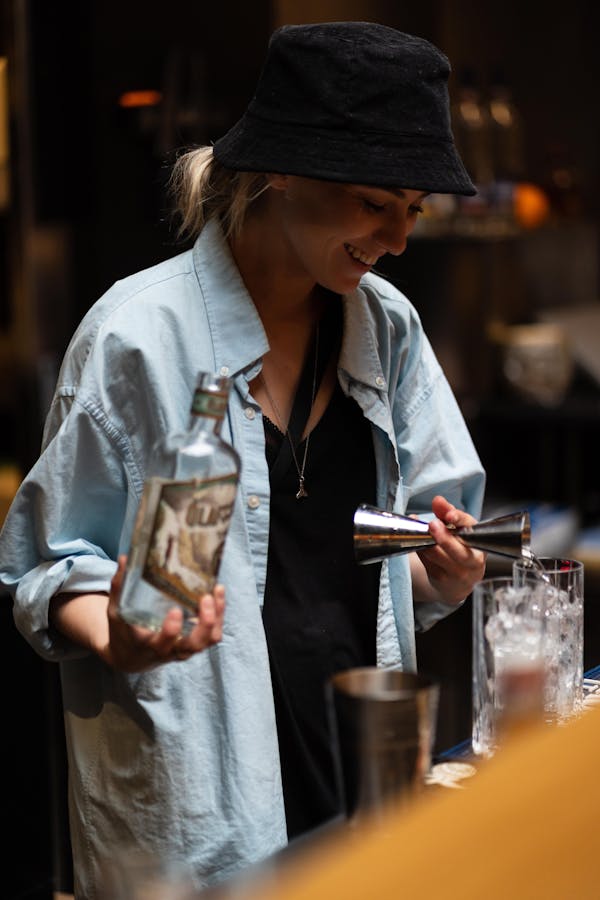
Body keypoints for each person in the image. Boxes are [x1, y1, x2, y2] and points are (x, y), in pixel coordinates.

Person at [0, 21, 486, 898]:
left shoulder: (387, 329)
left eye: (411, 210)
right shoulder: (137, 337)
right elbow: (48, 569)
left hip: (361, 790)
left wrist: (442, 573)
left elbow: (393, 566)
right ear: (281, 171)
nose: (398, 239)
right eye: (377, 203)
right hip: (203, 814)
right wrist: (123, 634)